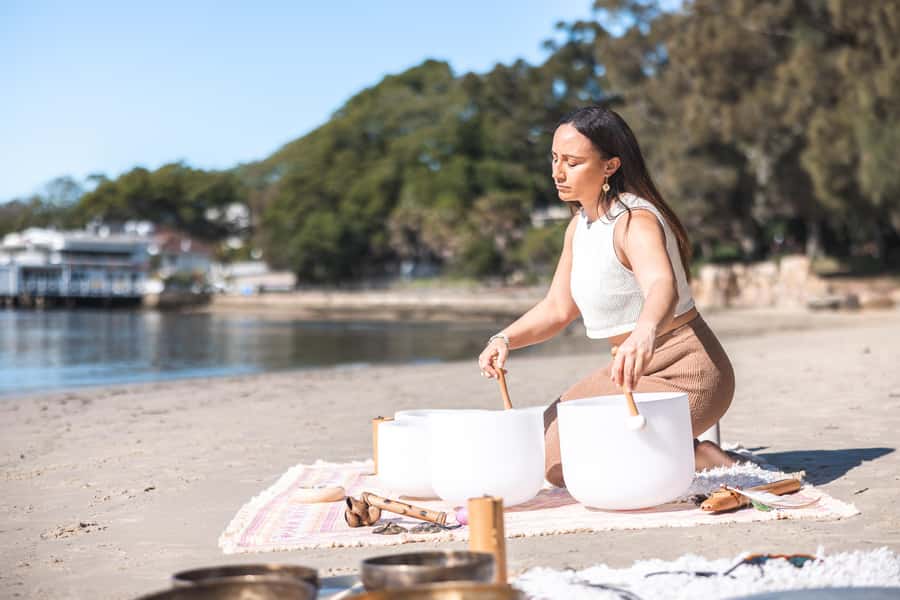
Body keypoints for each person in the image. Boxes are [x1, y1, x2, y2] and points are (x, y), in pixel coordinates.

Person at [477, 105, 736, 486]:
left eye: (572, 161)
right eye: (554, 158)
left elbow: (660, 284)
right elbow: (557, 307)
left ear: (610, 166)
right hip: (629, 372)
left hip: (687, 373)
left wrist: (645, 332)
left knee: (577, 460)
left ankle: (697, 456)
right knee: (548, 448)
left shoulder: (635, 220)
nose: (557, 172)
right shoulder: (579, 226)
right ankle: (679, 449)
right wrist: (504, 339)